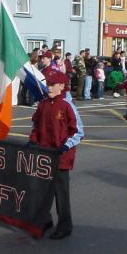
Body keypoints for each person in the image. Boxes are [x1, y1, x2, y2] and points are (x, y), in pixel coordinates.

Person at [28, 72, 79, 239]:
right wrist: (33, 140)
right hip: (43, 157)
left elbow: (78, 132)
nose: (49, 87)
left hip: (60, 157)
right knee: (40, 191)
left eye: (52, 84)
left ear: (62, 86)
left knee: (60, 194)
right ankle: (45, 221)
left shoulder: (67, 105)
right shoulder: (43, 104)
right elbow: (36, 125)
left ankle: (65, 225)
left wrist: (65, 145)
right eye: (48, 84)